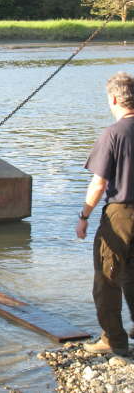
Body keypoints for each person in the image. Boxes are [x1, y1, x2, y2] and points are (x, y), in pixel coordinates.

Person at [76, 72, 134, 357]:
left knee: (107, 278)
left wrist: (84, 215)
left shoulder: (113, 134)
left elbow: (98, 182)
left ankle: (113, 339)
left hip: (121, 214)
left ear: (113, 98)